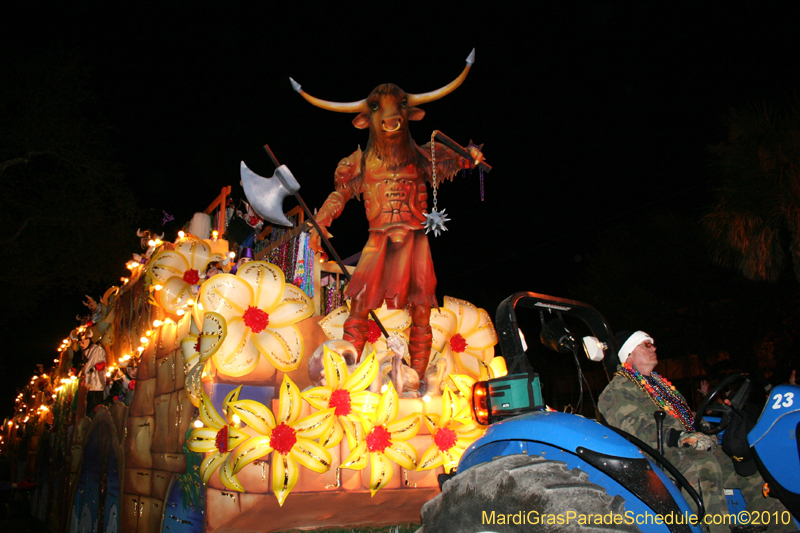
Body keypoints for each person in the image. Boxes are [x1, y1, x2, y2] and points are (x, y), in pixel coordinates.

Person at [598, 331, 792, 533]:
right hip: (657, 456)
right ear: (629, 353)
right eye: (646, 345)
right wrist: (680, 437)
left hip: (685, 448)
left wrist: (709, 429)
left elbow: (686, 416)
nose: (654, 348)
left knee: (748, 464)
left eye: (652, 344)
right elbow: (635, 429)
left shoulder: (660, 385)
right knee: (704, 466)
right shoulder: (616, 391)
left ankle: (781, 528)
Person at [78, 331, 107, 415]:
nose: (81, 345)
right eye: (79, 343)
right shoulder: (84, 352)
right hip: (87, 386)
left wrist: (95, 368)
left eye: (82, 342)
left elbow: (103, 363)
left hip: (96, 384)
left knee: (94, 408)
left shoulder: (97, 349)